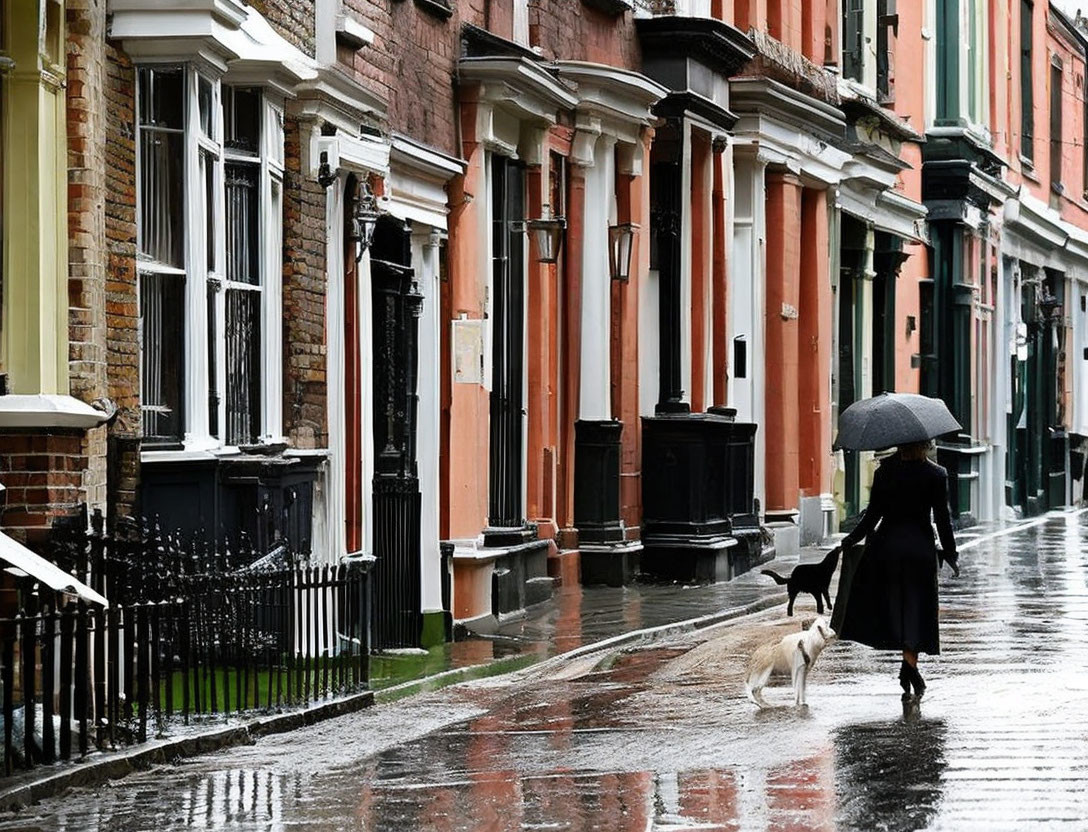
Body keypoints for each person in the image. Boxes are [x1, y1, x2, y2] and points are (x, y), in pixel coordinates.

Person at [832, 440, 959, 698]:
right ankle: (909, 667)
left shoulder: (884, 472)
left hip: (887, 549)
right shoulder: (936, 474)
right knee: (915, 609)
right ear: (925, 445)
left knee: (896, 608)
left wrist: (849, 540)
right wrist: (950, 553)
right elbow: (943, 519)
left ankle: (909, 669)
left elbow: (872, 517)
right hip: (919, 551)